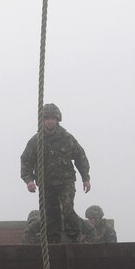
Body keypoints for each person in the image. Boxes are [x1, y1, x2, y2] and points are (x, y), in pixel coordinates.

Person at [20, 103, 90, 243]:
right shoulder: (36, 141)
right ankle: (54, 245)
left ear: (58, 119)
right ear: (43, 120)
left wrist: (85, 178)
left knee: (68, 210)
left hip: (66, 183)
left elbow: (80, 157)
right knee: (51, 216)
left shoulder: (67, 138)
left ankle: (74, 238)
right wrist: (29, 180)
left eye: (53, 118)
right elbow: (26, 161)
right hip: (47, 185)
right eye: (47, 118)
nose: (50, 121)